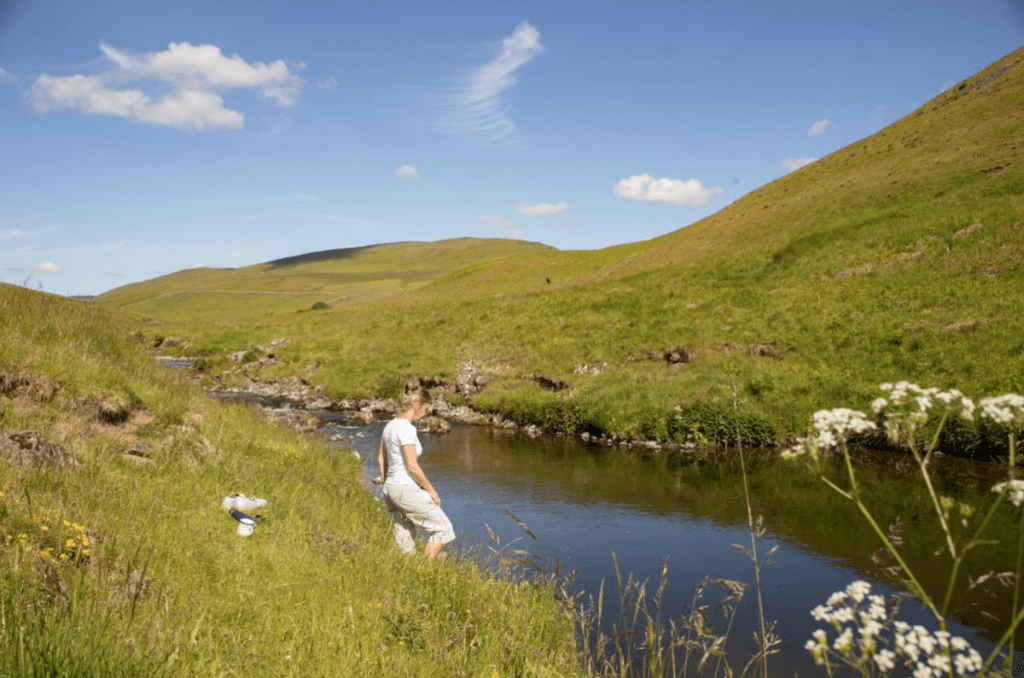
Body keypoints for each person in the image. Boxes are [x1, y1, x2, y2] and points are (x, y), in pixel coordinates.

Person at [378, 388, 455, 559]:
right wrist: (431, 491)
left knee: (405, 540)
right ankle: (424, 571)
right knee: (443, 529)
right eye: (426, 409)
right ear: (416, 405)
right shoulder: (407, 429)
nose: (425, 414)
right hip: (404, 488)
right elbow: (412, 467)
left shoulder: (389, 426)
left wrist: (387, 486)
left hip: (390, 490)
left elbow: (381, 459)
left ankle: (409, 572)